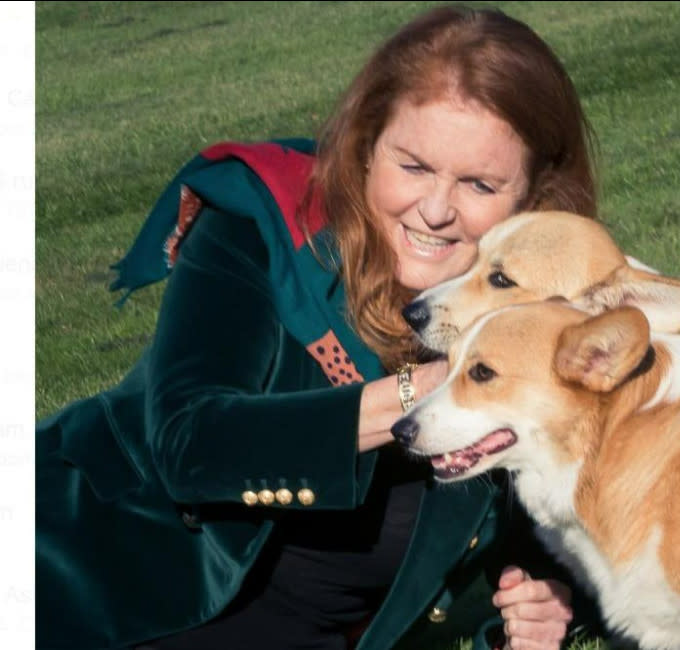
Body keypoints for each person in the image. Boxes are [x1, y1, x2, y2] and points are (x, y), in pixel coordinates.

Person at [35, 5, 600, 650]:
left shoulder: (545, 324)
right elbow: (189, 445)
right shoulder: (261, 230)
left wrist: (549, 599)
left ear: (532, 200)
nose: (437, 210)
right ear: (363, 151)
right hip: (88, 583)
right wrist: (427, 391)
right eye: (412, 166)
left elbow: (573, 524)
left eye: (478, 183)